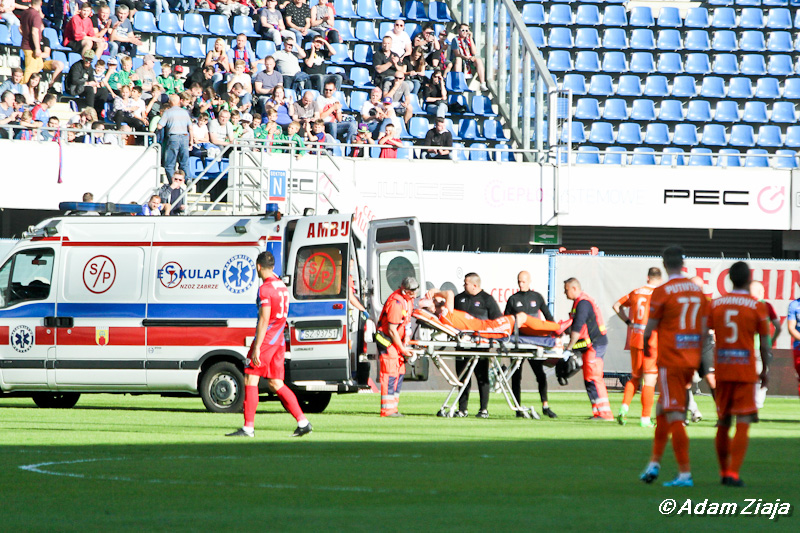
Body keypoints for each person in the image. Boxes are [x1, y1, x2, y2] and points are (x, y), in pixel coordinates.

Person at [640, 246, 709, 487]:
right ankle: (654, 463)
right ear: (683, 263)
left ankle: (684, 473)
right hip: (690, 358)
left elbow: (650, 326)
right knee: (662, 410)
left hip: (671, 359)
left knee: (675, 415)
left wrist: (645, 344)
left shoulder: (662, 291)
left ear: (664, 264)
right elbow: (704, 327)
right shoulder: (697, 291)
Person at [227, 251, 313, 438]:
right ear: (272, 267)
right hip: (279, 340)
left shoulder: (265, 289)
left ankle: (248, 428)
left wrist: (257, 347)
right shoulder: (282, 286)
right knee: (275, 383)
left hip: (268, 339)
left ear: (258, 266)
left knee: (250, 378)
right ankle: (303, 422)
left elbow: (265, 319)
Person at [709, 262, 771, 487]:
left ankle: (723, 471)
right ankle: (733, 473)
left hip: (723, 370)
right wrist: (765, 370)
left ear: (730, 279)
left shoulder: (716, 304)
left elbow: (704, 332)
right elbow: (764, 343)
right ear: (748, 279)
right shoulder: (757, 307)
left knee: (724, 420)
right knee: (743, 420)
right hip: (744, 371)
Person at [612, 267, 662, 427]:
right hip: (652, 342)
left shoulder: (636, 292)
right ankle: (645, 419)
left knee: (635, 377)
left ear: (648, 278)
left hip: (636, 339)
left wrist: (628, 322)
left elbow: (616, 306)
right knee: (650, 380)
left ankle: (623, 409)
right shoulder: (660, 294)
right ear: (660, 279)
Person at [506, 271, 557, 419]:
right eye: (519, 281)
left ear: (529, 281)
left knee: (540, 374)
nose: (521, 284)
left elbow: (549, 318)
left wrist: (555, 332)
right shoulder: (513, 299)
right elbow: (506, 321)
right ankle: (518, 408)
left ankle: (545, 406)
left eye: (523, 281)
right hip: (518, 343)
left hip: (534, 343)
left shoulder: (537, 297)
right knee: (516, 376)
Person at [563, 277, 613, 421]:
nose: (564, 293)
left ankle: (605, 414)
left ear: (574, 288)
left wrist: (568, 349)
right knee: (588, 379)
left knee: (594, 377)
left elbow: (578, 327)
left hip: (595, 344)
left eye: (566, 290)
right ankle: (598, 412)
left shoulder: (583, 303)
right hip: (591, 345)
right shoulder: (580, 302)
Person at [453, 272, 501, 418]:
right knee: (462, 377)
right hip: (462, 345)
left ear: (475, 285)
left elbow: (497, 320)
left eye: (466, 283)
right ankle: (462, 409)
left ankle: (483, 409)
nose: (464, 285)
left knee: (482, 377)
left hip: (481, 346)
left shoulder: (487, 299)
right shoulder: (459, 299)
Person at [375, 276, 418, 417]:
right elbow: (392, 330)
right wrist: (402, 349)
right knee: (390, 373)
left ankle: (393, 407)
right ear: (404, 291)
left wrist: (406, 340)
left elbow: (407, 323)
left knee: (399, 372)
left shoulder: (408, 300)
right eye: (411, 292)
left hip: (397, 341)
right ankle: (387, 410)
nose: (414, 295)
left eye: (415, 291)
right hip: (387, 341)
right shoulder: (396, 303)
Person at [750, 280, 780, 409]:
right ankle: (758, 402)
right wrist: (771, 341)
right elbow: (778, 327)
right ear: (760, 292)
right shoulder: (766, 305)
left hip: (745, 347)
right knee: (762, 374)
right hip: (762, 347)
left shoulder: (744, 304)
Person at [20, 0, 64, 87]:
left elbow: (20, 28)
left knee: (36, 67)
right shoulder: (35, 15)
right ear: (40, 4)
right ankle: (21, 88)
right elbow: (35, 32)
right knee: (30, 71)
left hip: (25, 44)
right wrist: (37, 48)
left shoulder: (25, 13)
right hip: (31, 47)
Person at [158, 93, 194, 182]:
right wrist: (191, 141)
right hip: (184, 137)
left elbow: (159, 126)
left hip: (173, 137)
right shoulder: (185, 112)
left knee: (169, 164)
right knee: (184, 162)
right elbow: (190, 127)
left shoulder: (168, 112)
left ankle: (173, 182)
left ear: (170, 102)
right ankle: (187, 179)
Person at [67, 49, 108, 117]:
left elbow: (91, 78)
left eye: (90, 60)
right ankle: (90, 113)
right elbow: (74, 80)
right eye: (87, 59)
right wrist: (88, 83)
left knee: (103, 91)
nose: (88, 62)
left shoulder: (90, 67)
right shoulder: (76, 66)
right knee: (90, 90)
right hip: (75, 87)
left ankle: (98, 112)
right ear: (83, 57)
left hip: (84, 87)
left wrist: (94, 85)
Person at [452, 23, 487, 92]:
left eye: (467, 30)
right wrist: (466, 57)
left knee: (478, 60)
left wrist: (470, 38)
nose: (465, 32)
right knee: (458, 59)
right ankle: (458, 82)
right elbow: (457, 54)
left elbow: (474, 52)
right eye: (463, 30)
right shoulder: (455, 40)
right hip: (460, 60)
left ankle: (482, 83)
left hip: (469, 60)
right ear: (459, 31)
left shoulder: (470, 39)